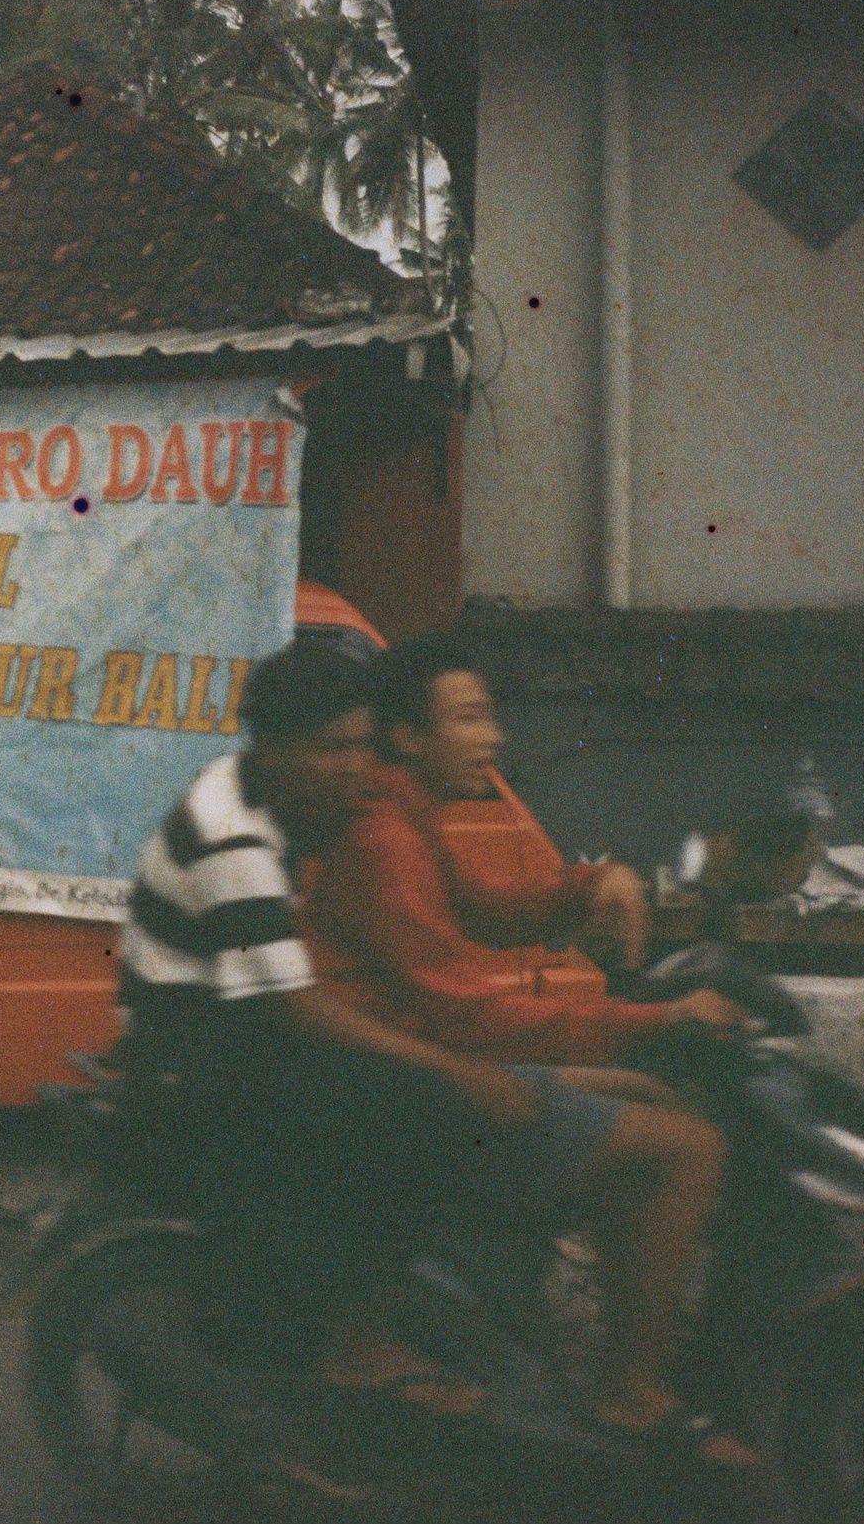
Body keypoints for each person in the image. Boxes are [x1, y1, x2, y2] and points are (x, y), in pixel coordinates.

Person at [300, 630, 759, 1469]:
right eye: (470, 717)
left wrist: (589, 884)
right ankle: (632, 1391)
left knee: (654, 1102)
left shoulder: (407, 816)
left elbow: (483, 906)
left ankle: (556, 1311)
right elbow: (463, 1015)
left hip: (422, 1064)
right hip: (411, 1084)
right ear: (406, 735)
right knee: (687, 1149)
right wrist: (654, 1019)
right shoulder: (385, 837)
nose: (494, 736)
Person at [109, 638, 559, 1421]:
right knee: (415, 1110)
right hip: (193, 1052)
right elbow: (296, 1006)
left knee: (409, 1084)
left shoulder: (265, 796)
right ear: (275, 747)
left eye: (361, 744)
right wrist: (455, 1069)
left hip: (236, 1022)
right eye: (332, 748)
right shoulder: (232, 838)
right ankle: (357, 1342)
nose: (356, 767)